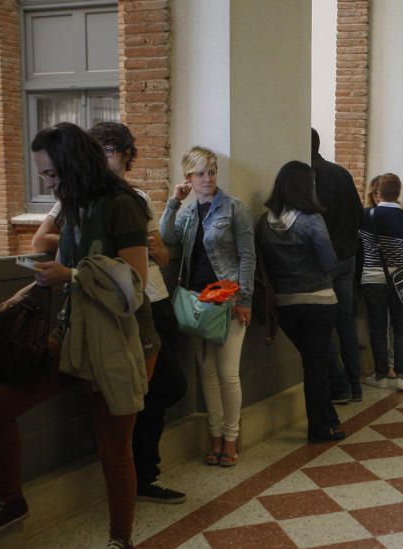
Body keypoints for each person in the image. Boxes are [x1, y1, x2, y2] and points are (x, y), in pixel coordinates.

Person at [0, 123, 158, 549]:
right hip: (71, 332)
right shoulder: (74, 205)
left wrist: (70, 276)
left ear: (73, 164)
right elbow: (63, 265)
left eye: (51, 174)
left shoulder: (123, 204)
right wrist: (30, 291)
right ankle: (11, 499)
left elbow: (134, 286)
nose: (47, 184)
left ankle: (121, 541)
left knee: (113, 448)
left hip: (124, 339)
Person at [28, 122, 186, 504]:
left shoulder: (130, 200)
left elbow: (147, 267)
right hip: (94, 318)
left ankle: (137, 486)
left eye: (113, 149)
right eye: (102, 149)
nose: (48, 182)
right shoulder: (71, 202)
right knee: (124, 411)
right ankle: (140, 477)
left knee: (153, 395)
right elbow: (46, 244)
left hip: (141, 310)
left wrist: (81, 269)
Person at [161, 146, 255, 467]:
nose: (208, 178)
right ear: (188, 177)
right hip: (196, 301)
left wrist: (245, 299)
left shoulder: (234, 208)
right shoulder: (188, 212)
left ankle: (231, 438)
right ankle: (214, 436)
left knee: (228, 373)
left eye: (212, 171)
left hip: (228, 300)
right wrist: (174, 200)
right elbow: (168, 237)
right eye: (200, 173)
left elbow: (247, 256)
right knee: (207, 373)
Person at [258, 161, 344, 443]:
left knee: (312, 362)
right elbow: (329, 261)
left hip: (285, 305)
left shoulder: (265, 223)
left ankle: (328, 419)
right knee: (316, 367)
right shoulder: (311, 220)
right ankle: (319, 428)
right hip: (318, 301)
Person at [311, 129, 364, 404]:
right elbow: (358, 213)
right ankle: (355, 384)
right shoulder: (340, 173)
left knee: (323, 325)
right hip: (348, 257)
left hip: (323, 262)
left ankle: (339, 384)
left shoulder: (309, 176)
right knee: (345, 321)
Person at [359, 173, 403, 390]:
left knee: (377, 327)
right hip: (401, 279)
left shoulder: (365, 216)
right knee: (402, 327)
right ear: (398, 193)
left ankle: (381, 375)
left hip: (371, 279)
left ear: (378, 193)